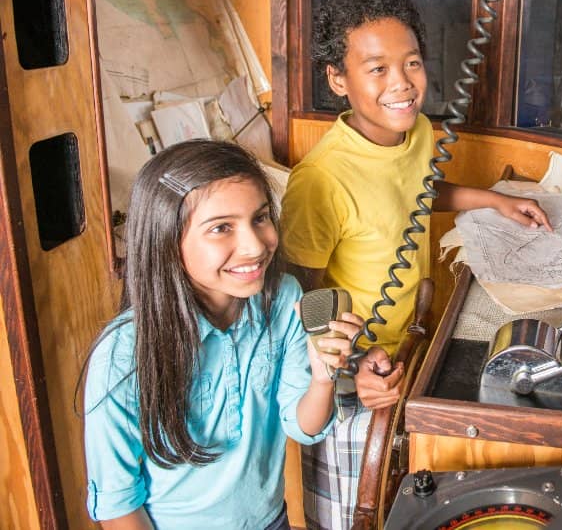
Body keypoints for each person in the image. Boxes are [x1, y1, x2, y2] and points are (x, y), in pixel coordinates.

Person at [281, 0, 551, 529]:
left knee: (399, 509)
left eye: (412, 64)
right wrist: (347, 373)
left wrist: (494, 201)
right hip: (350, 381)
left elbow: (419, 196)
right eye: (377, 69)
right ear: (338, 79)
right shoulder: (322, 180)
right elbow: (297, 300)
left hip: (406, 355)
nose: (402, 84)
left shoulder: (419, 132)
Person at [84, 139, 358, 529]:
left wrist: (322, 376)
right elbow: (118, 504)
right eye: (221, 228)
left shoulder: (283, 299)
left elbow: (304, 428)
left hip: (270, 521)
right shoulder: (123, 352)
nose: (254, 245)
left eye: (260, 218)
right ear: (166, 239)